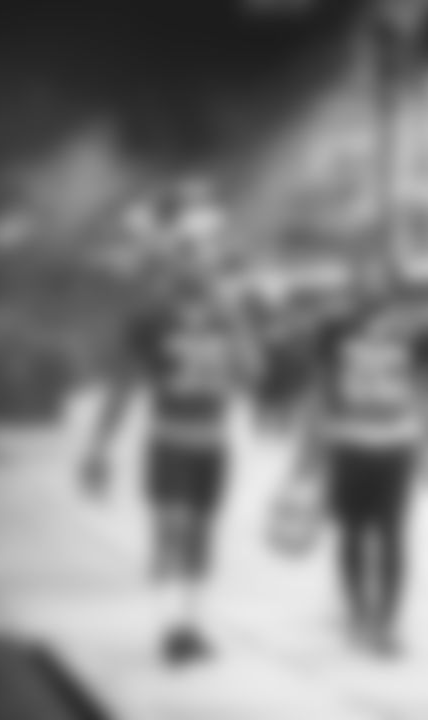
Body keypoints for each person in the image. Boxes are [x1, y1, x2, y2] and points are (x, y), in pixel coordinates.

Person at [80, 186, 263, 665]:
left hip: (213, 445)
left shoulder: (227, 315)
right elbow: (124, 385)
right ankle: (168, 626)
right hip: (168, 441)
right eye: (188, 251)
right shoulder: (152, 317)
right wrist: (99, 446)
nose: (198, 261)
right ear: (173, 260)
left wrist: (236, 323)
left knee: (201, 535)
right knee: (171, 530)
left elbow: (251, 374)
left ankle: (192, 623)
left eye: (206, 251)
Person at [284, 261, 428, 658]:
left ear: (394, 288)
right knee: (352, 532)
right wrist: (307, 448)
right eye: (364, 282)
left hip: (396, 443)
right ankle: (357, 613)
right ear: (353, 288)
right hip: (347, 442)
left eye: (380, 283)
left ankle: (387, 623)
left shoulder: (414, 332)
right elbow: (320, 388)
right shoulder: (334, 330)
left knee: (393, 533)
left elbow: (426, 389)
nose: (371, 290)